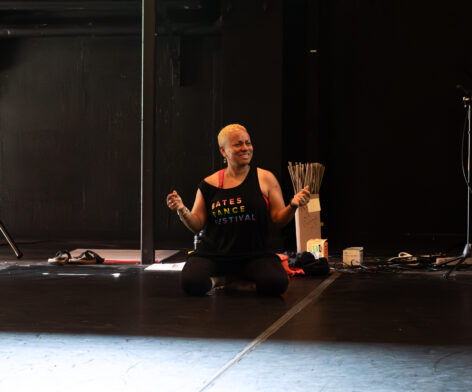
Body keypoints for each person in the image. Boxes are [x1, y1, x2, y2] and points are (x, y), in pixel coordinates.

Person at [166, 124, 310, 296]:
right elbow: (197, 225)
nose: (245, 148)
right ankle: (221, 280)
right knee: (191, 282)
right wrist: (182, 210)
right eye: (238, 144)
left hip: (254, 254)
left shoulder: (265, 178)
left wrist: (292, 206)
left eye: (248, 143)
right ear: (223, 151)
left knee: (277, 283)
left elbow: (279, 219)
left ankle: (230, 283)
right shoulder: (208, 184)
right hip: (214, 254)